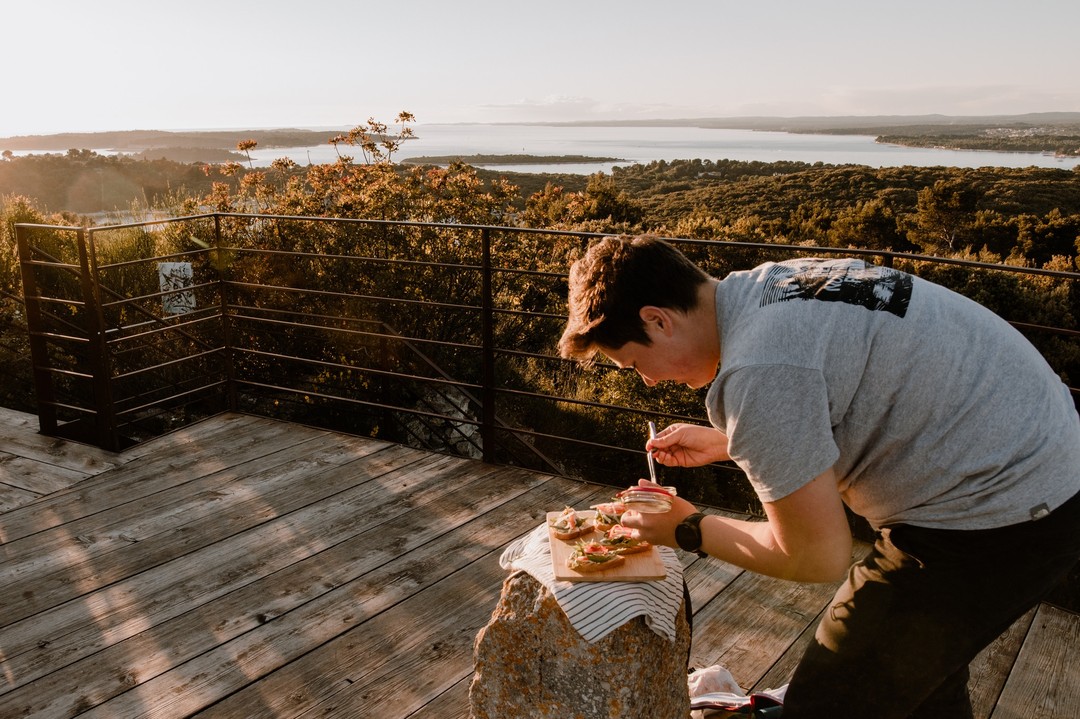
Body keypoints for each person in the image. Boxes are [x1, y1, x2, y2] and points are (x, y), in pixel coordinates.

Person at [558, 235, 1080, 719]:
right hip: (1047, 454)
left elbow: (815, 555)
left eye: (633, 363)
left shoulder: (758, 371)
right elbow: (840, 378)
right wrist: (731, 441)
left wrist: (686, 527)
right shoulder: (772, 284)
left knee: (829, 701)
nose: (647, 379)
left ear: (658, 320)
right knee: (913, 673)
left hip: (1002, 513)